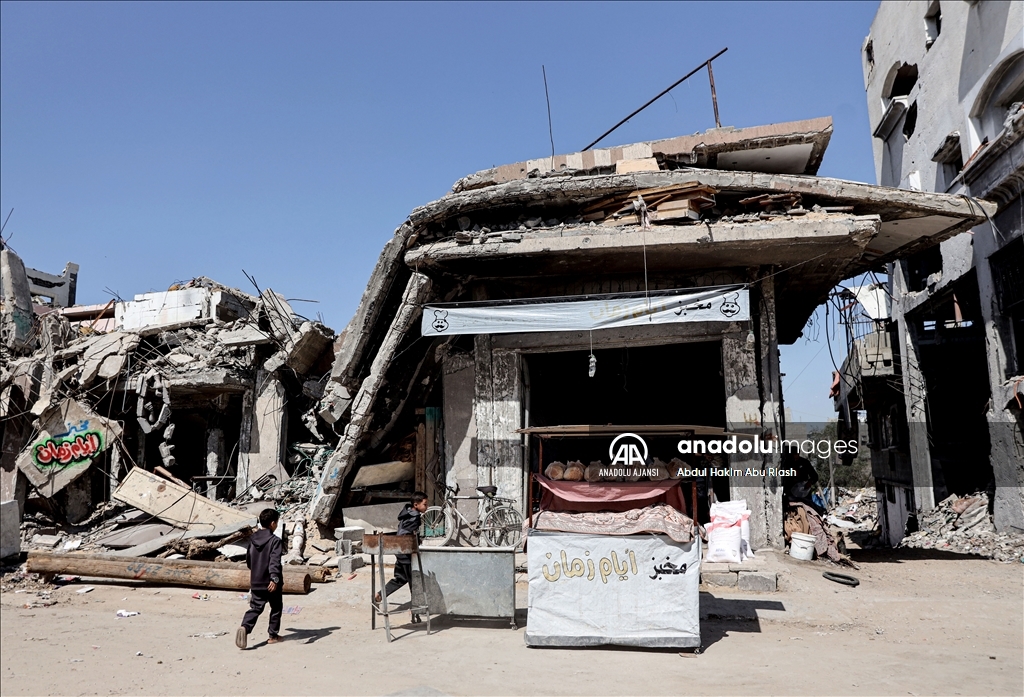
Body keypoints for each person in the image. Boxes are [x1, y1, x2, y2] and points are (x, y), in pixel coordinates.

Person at [236, 508, 284, 649]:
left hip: (256, 580)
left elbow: (249, 560)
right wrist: (274, 579)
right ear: (273, 523)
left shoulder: (253, 539)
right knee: (276, 607)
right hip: (270, 582)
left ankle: (245, 627)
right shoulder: (275, 541)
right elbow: (274, 561)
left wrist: (256, 572)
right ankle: (273, 636)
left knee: (256, 608)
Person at [374, 491, 428, 603]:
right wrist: (414, 543)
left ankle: (380, 594)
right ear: (416, 505)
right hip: (405, 553)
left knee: (401, 578)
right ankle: (416, 606)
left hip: (399, 551)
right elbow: (406, 535)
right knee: (414, 580)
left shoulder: (407, 512)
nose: (427, 507)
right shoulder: (415, 517)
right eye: (425, 504)